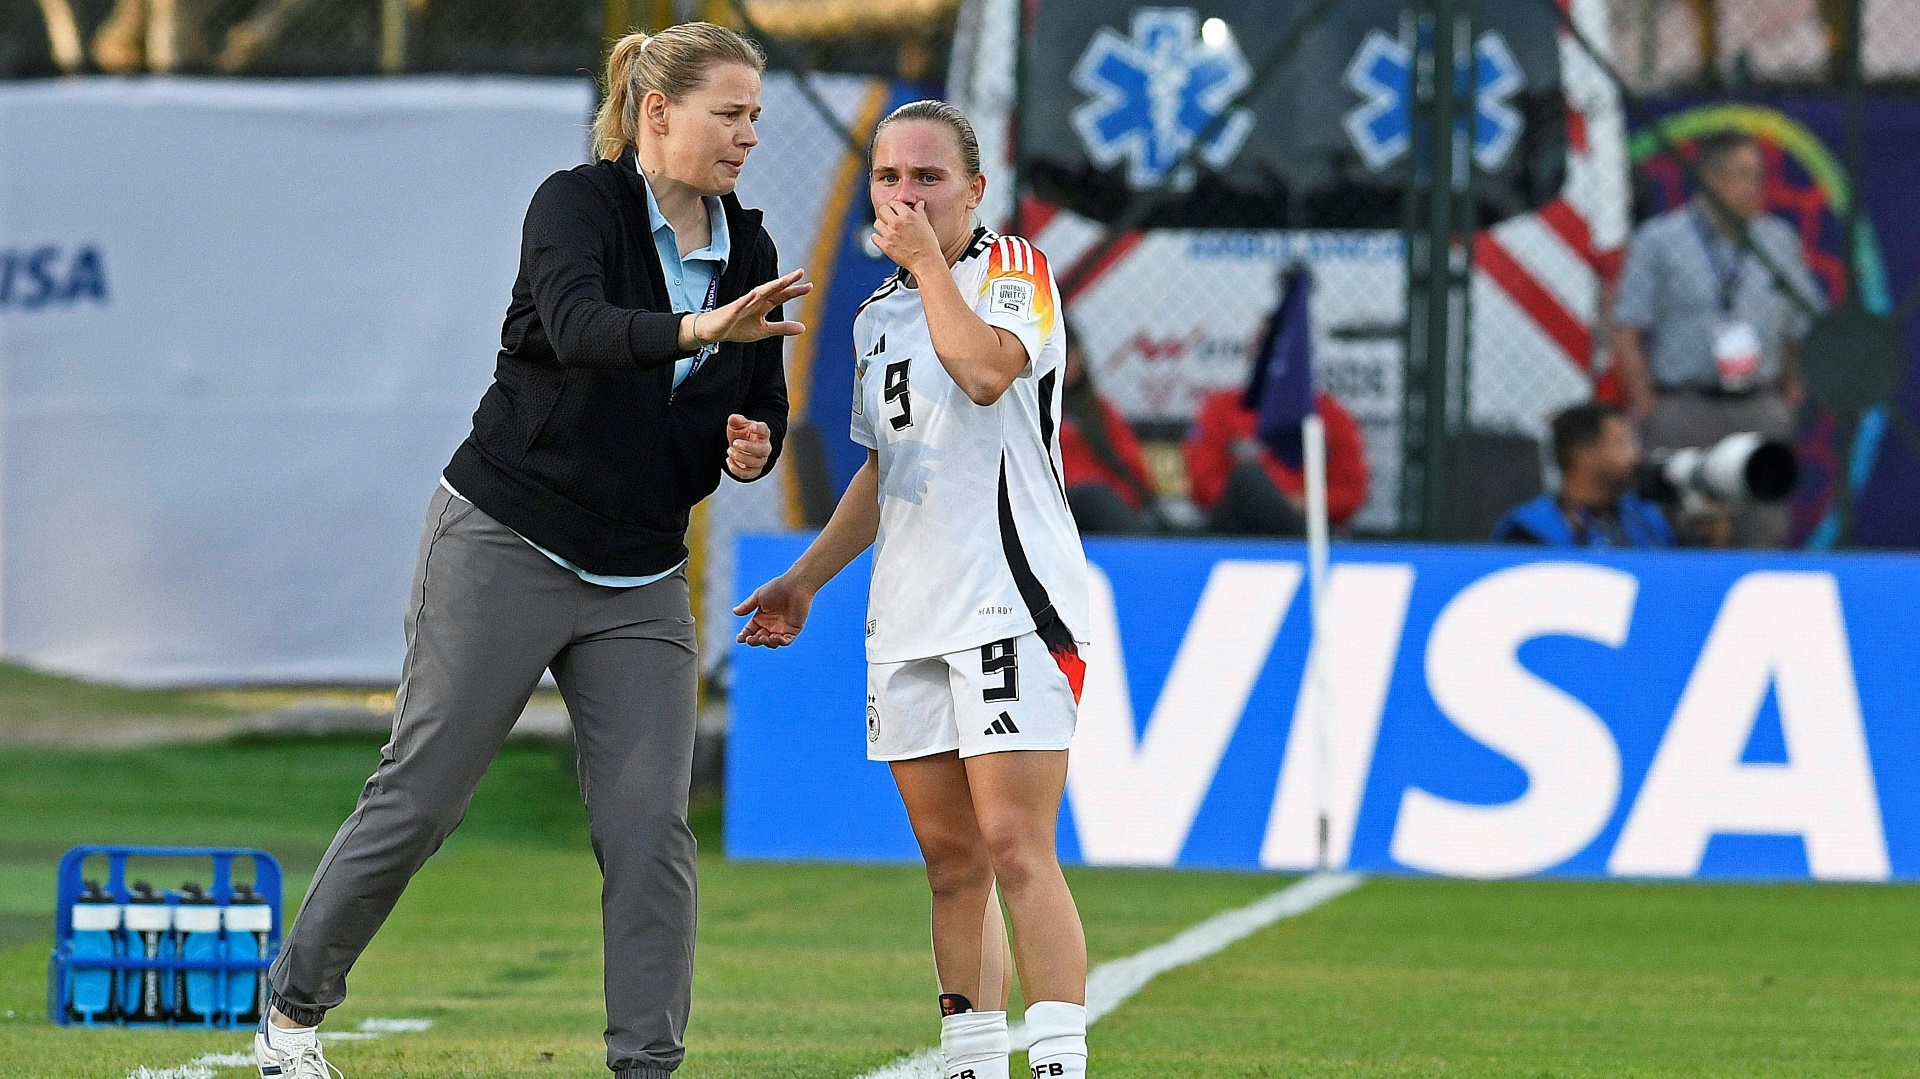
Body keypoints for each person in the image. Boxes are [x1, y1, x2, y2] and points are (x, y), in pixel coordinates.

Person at [254, 24, 810, 1079]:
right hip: (507, 534)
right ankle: (290, 1010)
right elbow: (581, 324)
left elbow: (762, 400)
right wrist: (698, 334)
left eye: (754, 118)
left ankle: (646, 1061)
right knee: (425, 790)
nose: (746, 136)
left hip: (641, 571)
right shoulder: (576, 204)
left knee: (650, 828)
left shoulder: (751, 247)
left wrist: (752, 444)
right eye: (727, 114)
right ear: (658, 112)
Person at [733, 101, 1092, 1079]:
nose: (906, 196)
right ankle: (972, 1057)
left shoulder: (1014, 273)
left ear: (976, 189)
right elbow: (886, 468)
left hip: (1014, 601)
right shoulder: (874, 316)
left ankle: (1060, 1062)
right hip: (909, 613)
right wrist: (807, 576)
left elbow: (984, 374)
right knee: (951, 862)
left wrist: (932, 263)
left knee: (1019, 844)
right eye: (890, 178)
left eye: (929, 178)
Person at [1611, 128, 1822, 548]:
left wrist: (1790, 393)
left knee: (1763, 531)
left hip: (1757, 406)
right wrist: (1650, 406)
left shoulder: (1777, 241)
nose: (1758, 188)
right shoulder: (1659, 241)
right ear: (1712, 179)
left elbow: (1802, 325)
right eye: (1745, 175)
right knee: (1680, 527)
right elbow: (1627, 328)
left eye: (1759, 175)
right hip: (1686, 406)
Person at [1182, 387, 1368, 535]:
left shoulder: (1328, 414)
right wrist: (1263, 502)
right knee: (1247, 478)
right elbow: (1203, 482)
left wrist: (1303, 502)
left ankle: (1300, 546)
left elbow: (1351, 491)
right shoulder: (1221, 408)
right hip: (1239, 527)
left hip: (1307, 521)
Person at [1493, 402, 1676, 547]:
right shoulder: (1527, 530)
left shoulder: (1648, 519)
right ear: (1583, 455)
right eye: (1622, 444)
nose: (1635, 455)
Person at [1059, 324, 1166, 533]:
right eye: (1058, 350)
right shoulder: (1028, 413)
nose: (1065, 359)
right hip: (1048, 507)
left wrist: (1117, 497)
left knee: (1096, 497)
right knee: (1092, 495)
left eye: (1070, 350)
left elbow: (1133, 469)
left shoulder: (1101, 411)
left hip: (1104, 509)